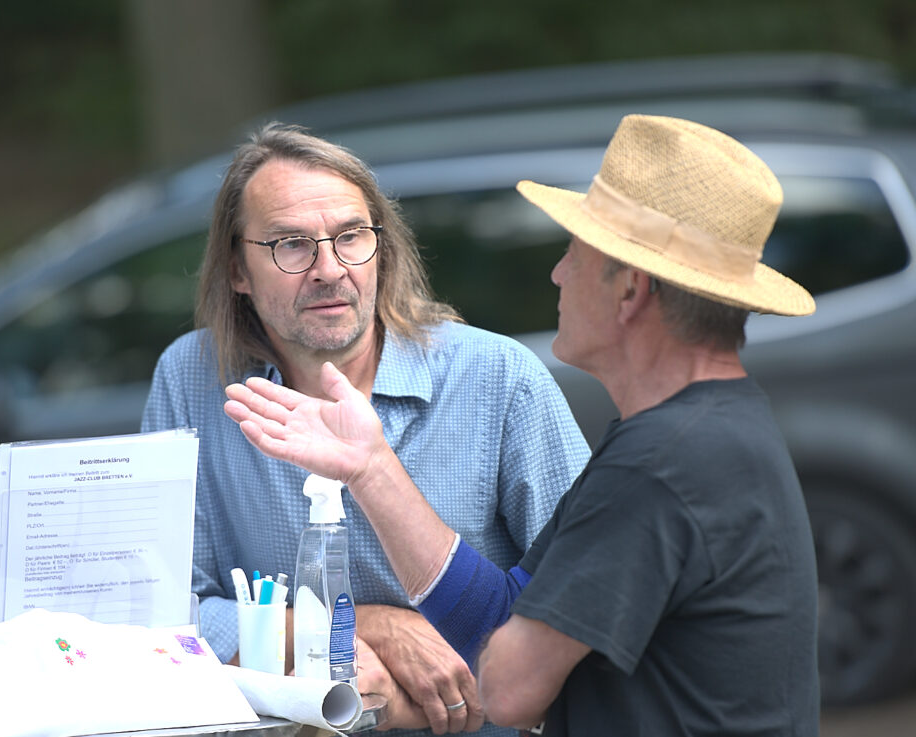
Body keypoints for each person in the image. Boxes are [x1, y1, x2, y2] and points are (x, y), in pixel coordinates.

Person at [224, 114, 821, 736]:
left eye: (576, 254)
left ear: (631, 291)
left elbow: (508, 688)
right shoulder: (699, 434)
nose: (558, 273)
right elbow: (506, 617)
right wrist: (372, 468)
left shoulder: (660, 466)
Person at [141, 122, 591, 736]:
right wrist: (358, 624)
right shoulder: (192, 378)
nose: (330, 269)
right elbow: (163, 615)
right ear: (237, 271)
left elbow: (583, 609)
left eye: (351, 237)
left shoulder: (497, 379)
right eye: (290, 245)